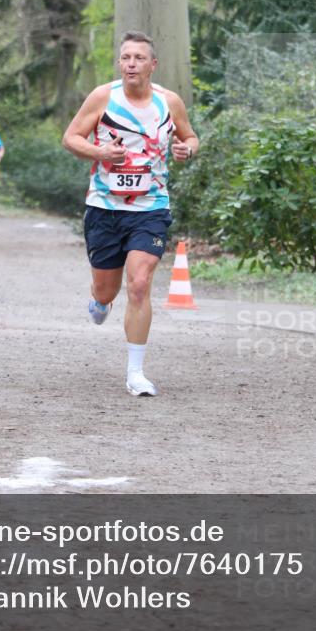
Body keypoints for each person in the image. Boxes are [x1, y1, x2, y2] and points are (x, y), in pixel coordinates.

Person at [62, 31, 199, 397]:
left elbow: (190, 137)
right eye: (126, 58)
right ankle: (98, 300)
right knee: (106, 293)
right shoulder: (103, 97)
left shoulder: (169, 102)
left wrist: (187, 149)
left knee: (138, 284)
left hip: (150, 207)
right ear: (119, 63)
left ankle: (135, 373)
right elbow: (71, 137)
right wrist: (100, 153)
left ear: (153, 65)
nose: (131, 64)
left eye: (139, 58)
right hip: (104, 207)